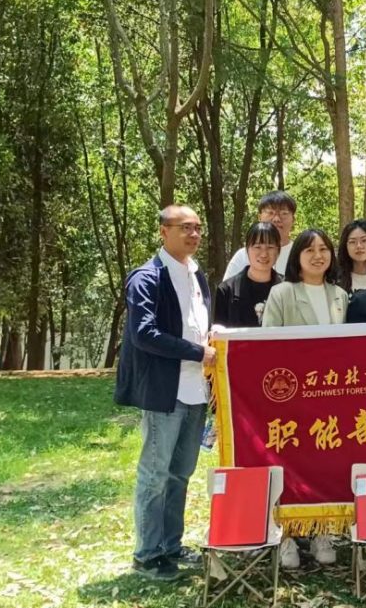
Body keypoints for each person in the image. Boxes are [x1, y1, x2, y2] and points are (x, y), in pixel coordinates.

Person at [114, 205, 215, 581]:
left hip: (196, 391)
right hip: (165, 391)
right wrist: (197, 352)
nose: (194, 234)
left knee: (180, 473)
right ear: (163, 231)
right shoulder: (147, 277)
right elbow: (144, 334)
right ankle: (147, 554)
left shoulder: (196, 274)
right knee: (155, 473)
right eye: (185, 227)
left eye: (198, 228)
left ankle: (171, 545)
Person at [262, 229, 348, 567]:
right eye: (309, 250)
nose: (318, 256)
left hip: (328, 397)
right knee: (288, 464)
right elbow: (267, 345)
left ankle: (319, 531)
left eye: (324, 249)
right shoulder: (282, 293)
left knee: (322, 464)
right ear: (297, 256)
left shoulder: (340, 295)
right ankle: (286, 536)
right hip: (290, 396)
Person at [213, 222, 283, 328]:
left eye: (270, 247)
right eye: (257, 247)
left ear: (278, 251)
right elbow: (219, 332)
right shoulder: (227, 290)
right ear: (246, 250)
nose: (264, 254)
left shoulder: (288, 288)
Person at [222, 191, 297, 280]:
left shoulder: (300, 255)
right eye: (270, 213)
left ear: (293, 219)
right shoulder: (243, 256)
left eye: (283, 213)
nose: (276, 219)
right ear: (260, 217)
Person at [336, 218, 366, 294]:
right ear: (345, 246)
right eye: (352, 242)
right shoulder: (335, 279)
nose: (359, 246)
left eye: (364, 240)